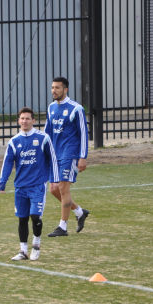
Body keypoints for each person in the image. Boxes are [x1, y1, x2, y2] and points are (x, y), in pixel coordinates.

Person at [0, 107, 59, 260]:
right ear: (18, 121)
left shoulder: (43, 138)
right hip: (20, 187)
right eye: (22, 118)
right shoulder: (14, 141)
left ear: (33, 121)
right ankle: (23, 251)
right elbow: (7, 163)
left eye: (27, 118)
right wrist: (2, 181)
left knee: (35, 216)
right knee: (22, 218)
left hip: (37, 186)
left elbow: (52, 160)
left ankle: (36, 245)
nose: (24, 121)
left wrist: (54, 180)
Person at [44, 76, 90, 237]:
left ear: (65, 89)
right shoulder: (51, 108)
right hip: (55, 155)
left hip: (70, 154)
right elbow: (47, 133)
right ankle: (79, 212)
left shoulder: (76, 109)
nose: (54, 91)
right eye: (52, 87)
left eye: (57, 88)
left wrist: (83, 157)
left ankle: (62, 227)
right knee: (53, 189)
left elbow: (84, 134)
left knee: (63, 188)